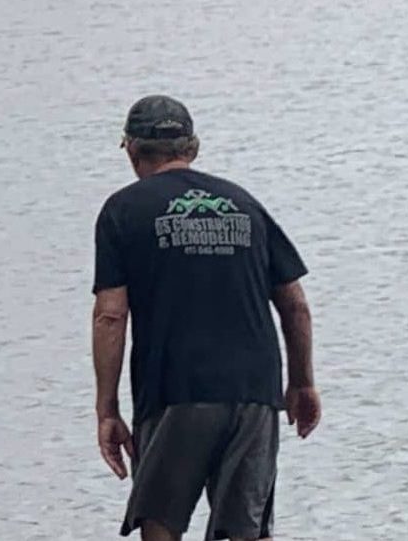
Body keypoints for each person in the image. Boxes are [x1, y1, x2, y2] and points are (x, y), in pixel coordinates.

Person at [91, 95, 321, 541]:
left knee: (160, 523)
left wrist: (107, 409)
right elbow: (295, 304)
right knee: (246, 531)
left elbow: (110, 317)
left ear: (133, 151)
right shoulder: (245, 205)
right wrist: (302, 382)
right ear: (191, 147)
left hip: (176, 390)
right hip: (255, 392)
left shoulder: (123, 210)